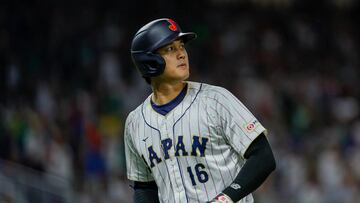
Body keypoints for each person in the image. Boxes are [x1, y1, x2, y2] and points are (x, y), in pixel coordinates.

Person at [124, 18, 276, 203]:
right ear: (149, 60)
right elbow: (144, 187)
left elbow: (263, 157)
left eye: (181, 46)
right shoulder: (135, 123)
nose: (182, 54)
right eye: (170, 49)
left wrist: (226, 198)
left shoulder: (216, 100)